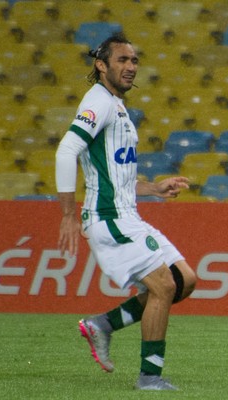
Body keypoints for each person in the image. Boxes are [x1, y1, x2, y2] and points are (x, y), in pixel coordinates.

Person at [55, 33, 197, 391]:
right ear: (101, 65)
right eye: (122, 60)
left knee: (185, 280)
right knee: (164, 285)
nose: (131, 67)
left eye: (134, 61)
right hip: (108, 217)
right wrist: (68, 215)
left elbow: (115, 178)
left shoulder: (117, 105)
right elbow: (65, 151)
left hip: (127, 213)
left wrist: (153, 188)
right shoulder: (99, 102)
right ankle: (150, 376)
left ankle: (102, 325)